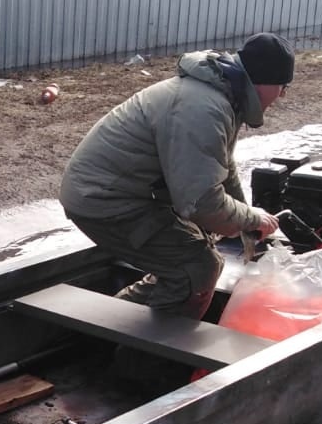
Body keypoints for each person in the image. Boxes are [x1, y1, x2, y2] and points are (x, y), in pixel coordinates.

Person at [58, 33, 295, 320]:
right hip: (104, 200)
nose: (282, 95)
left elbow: (222, 168)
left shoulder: (222, 95)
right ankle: (124, 343)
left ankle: (116, 321)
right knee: (197, 267)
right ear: (266, 81)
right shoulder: (204, 109)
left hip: (126, 192)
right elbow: (201, 203)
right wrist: (251, 218)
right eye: (283, 87)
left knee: (199, 244)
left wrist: (247, 222)